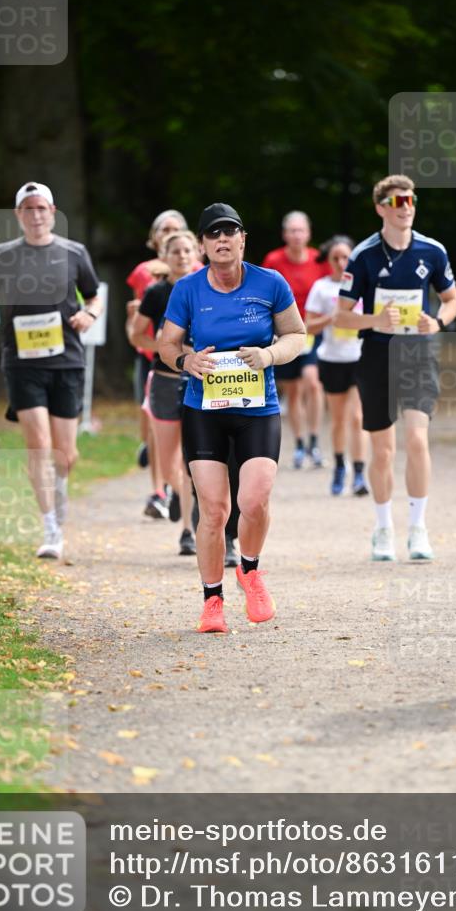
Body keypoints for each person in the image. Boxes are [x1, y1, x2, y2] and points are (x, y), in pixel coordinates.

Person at [160, 202, 305, 633]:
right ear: (203, 245)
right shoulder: (187, 289)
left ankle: (250, 569)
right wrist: (186, 361)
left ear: (243, 239)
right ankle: (212, 601)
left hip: (258, 408)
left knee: (254, 500)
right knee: (215, 509)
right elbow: (166, 345)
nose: (222, 240)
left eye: (231, 232)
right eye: (214, 234)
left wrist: (269, 355)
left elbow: (297, 335)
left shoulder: (270, 283)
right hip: (205, 410)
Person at [334, 175, 456, 561]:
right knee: (384, 450)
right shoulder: (364, 255)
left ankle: (419, 529)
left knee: (418, 441)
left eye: (411, 200)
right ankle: (383, 527)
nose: (405, 206)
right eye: (397, 201)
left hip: (419, 354)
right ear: (380, 208)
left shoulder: (432, 251)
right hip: (376, 356)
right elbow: (341, 317)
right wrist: (375, 321)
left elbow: (453, 300)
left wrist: (437, 322)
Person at [0, 181, 102, 559]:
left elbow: (93, 295)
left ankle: (59, 488)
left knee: (66, 452)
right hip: (21, 362)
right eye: (28, 209)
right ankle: (50, 528)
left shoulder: (74, 252)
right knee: (39, 445)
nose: (35, 215)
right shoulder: (2, 255)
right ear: (18, 215)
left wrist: (89, 314)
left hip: (66, 361)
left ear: (53, 212)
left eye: (41, 208)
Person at [128, 230, 199, 556]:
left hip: (201, 381)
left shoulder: (207, 286)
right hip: (165, 380)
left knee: (192, 461)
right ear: (165, 258)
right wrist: (166, 346)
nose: (182, 256)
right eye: (176, 252)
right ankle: (176, 492)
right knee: (171, 463)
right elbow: (136, 335)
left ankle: (188, 529)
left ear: (197, 252)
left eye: (187, 250)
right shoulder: (157, 292)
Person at [262, 211, 329, 468]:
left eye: (301, 230)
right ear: (284, 234)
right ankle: (300, 444)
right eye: (292, 230)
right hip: (284, 333)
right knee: (293, 390)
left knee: (312, 383)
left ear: (308, 233)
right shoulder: (273, 260)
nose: (296, 235)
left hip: (312, 330)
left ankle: (314, 439)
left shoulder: (319, 260)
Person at [305, 236, 368, 496]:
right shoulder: (321, 288)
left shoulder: (363, 284)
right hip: (332, 359)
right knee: (339, 419)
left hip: (360, 357)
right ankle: (340, 466)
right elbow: (307, 325)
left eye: (346, 258)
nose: (342, 263)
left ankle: (360, 473)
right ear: (328, 261)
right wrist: (332, 318)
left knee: (358, 417)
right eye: (336, 258)